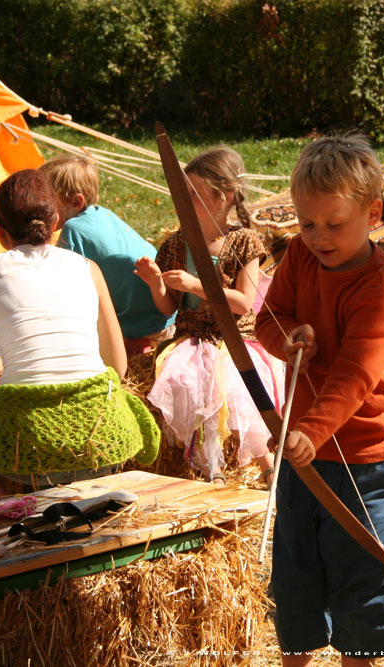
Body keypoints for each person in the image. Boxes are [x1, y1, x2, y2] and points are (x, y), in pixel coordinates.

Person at [255, 134, 384, 664]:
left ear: (373, 214)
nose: (317, 237)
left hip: (368, 462)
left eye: (333, 224)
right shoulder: (300, 255)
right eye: (306, 223)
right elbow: (268, 315)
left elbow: (356, 374)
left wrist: (310, 431)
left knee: (363, 592)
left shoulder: (383, 287)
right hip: (306, 458)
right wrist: (287, 336)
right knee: (296, 584)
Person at [0, 169, 160, 499]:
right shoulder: (88, 269)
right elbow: (117, 366)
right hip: (102, 445)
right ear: (55, 224)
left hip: (27, 453)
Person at [134, 147, 279, 486]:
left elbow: (243, 302)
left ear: (224, 196)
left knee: (235, 385)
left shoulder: (244, 242)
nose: (186, 201)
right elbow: (169, 308)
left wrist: (197, 284)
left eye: (195, 194)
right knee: (193, 382)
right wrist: (156, 283)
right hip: (191, 338)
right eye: (184, 193)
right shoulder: (175, 245)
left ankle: (266, 463)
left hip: (235, 338)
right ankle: (209, 467)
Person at [39, 155, 174, 342]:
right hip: (165, 318)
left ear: (76, 202)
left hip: (138, 329)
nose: (42, 208)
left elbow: (62, 287)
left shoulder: (74, 228)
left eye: (48, 202)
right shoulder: (104, 214)